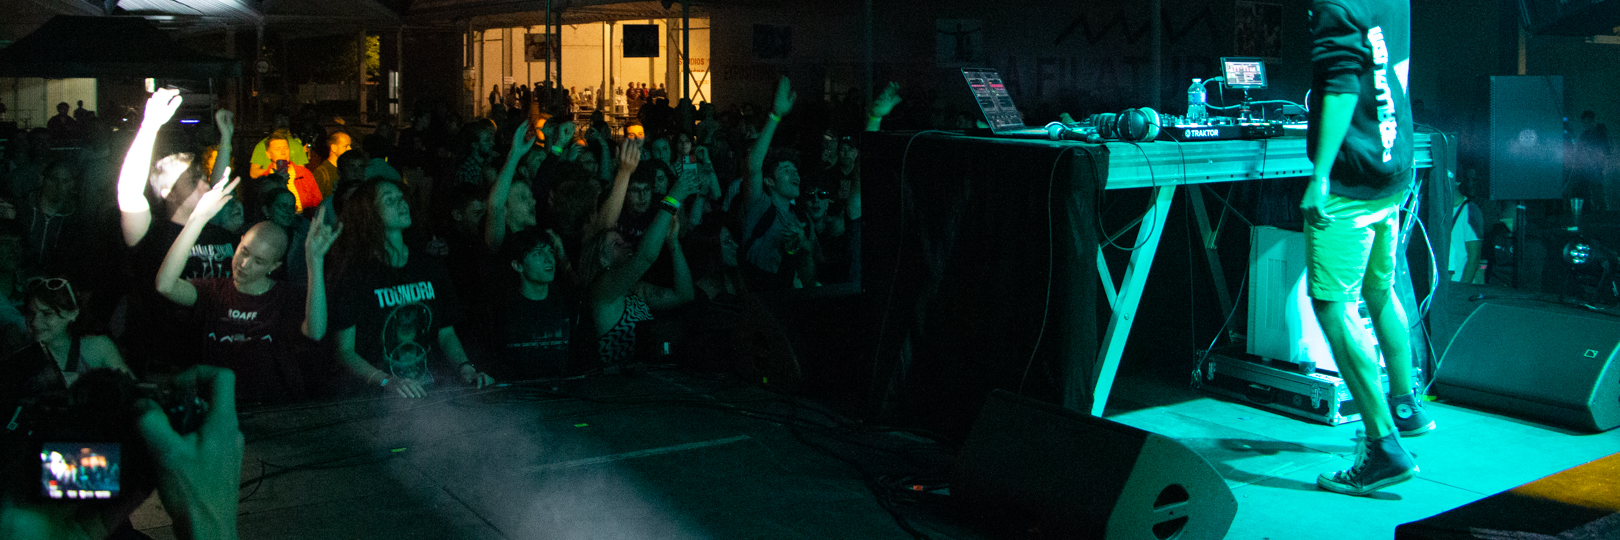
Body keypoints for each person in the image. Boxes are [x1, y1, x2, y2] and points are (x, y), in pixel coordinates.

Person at [1301, 0, 1432, 497]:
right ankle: (1405, 405)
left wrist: (1320, 174)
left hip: (1351, 181)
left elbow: (1342, 86)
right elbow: (1390, 67)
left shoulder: (1337, 5)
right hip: (1392, 165)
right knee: (1378, 288)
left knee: (1333, 305)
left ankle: (1383, 447)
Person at [155, 178, 342, 404]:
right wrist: (198, 219)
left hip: (269, 408)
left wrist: (314, 261)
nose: (244, 264)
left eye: (259, 261)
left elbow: (315, 332)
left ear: (274, 267)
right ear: (240, 241)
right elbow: (165, 285)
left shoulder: (283, 296)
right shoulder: (214, 289)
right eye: (244, 252)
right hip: (217, 404)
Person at [329, 179, 494, 398]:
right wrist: (388, 381)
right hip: (377, 399)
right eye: (390, 200)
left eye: (401, 198)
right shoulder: (356, 272)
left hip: (432, 391)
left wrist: (466, 368)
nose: (402, 204)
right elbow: (345, 351)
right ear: (370, 213)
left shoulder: (429, 265)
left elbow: (445, 333)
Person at [577, 167, 698, 368]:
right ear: (602, 260)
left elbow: (684, 294)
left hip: (644, 383)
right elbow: (645, 256)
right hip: (615, 387)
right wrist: (672, 198)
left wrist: (674, 244)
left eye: (624, 241)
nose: (626, 245)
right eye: (616, 244)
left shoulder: (634, 290)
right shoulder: (602, 289)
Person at [739, 76, 814, 289]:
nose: (795, 175)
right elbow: (752, 166)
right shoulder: (759, 205)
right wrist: (775, 116)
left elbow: (809, 281)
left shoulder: (802, 219)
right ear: (769, 181)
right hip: (757, 303)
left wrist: (805, 248)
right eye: (786, 170)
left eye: (796, 171)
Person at [4, 277, 131, 395]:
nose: (35, 322)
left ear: (73, 313)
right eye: (31, 314)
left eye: (47, 314)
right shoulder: (20, 358)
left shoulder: (98, 347)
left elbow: (134, 394)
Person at [483, 228, 576, 380]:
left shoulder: (566, 301)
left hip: (561, 395)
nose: (549, 259)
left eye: (550, 251)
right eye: (538, 253)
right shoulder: (502, 309)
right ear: (517, 266)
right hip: (517, 397)